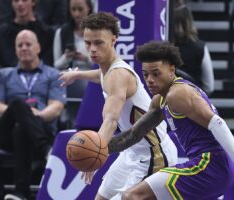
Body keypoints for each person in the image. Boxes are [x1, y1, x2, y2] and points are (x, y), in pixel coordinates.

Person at [106, 41, 234, 200]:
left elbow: (219, 124)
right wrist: (102, 148)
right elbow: (134, 134)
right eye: (145, 74)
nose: (149, 80)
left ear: (172, 70)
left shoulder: (177, 94)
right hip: (217, 168)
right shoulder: (160, 100)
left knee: (132, 196)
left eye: (156, 73)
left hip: (211, 165)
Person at [59, 12, 178, 200]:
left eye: (99, 43)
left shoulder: (118, 75)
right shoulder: (107, 69)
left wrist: (96, 154)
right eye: (88, 43)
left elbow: (110, 120)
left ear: (113, 40)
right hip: (131, 152)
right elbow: (100, 75)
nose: (92, 49)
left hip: (153, 154)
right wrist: (77, 75)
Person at [0, 30, 66, 200]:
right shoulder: (4, 75)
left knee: (21, 130)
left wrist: (31, 119)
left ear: (38, 47)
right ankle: (46, 151)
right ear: (15, 50)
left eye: (28, 44)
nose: (24, 48)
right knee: (17, 104)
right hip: (6, 135)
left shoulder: (53, 74)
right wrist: (25, 113)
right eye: (20, 45)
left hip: (41, 129)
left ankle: (20, 193)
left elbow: (56, 108)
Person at [0, 0, 54, 69]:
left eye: (24, 0)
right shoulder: (0, 35)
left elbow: (48, 62)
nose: (20, 4)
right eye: (16, 1)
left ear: (33, 2)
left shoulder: (47, 33)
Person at [171, 4, 214, 95]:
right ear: (189, 22)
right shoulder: (200, 47)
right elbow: (209, 87)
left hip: (168, 101)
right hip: (192, 100)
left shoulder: (165, 46)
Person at [53, 0, 93, 71]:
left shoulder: (98, 32)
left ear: (89, 8)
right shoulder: (61, 32)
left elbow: (104, 63)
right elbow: (56, 65)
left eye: (80, 9)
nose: (76, 14)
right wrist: (66, 57)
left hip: (93, 77)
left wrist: (86, 58)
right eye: (73, 9)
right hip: (69, 77)